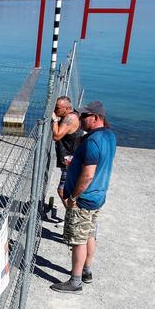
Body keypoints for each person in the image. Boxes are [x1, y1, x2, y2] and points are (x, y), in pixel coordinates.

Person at [51, 101, 116, 292]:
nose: (81, 120)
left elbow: (88, 174)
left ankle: (75, 281)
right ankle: (87, 270)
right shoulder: (110, 136)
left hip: (84, 199)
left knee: (78, 240)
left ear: (95, 118)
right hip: (98, 195)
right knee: (89, 234)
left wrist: (73, 198)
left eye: (85, 117)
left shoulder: (92, 142)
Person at [46, 95, 83, 223]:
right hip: (71, 161)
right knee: (69, 191)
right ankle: (73, 218)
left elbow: (56, 136)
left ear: (67, 108)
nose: (55, 110)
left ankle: (73, 219)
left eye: (57, 108)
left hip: (71, 163)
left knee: (62, 190)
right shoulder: (69, 115)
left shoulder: (69, 118)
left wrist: (54, 120)